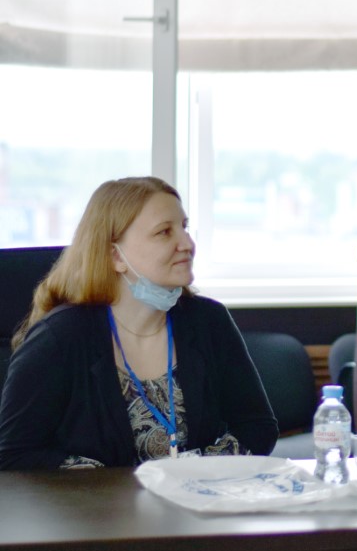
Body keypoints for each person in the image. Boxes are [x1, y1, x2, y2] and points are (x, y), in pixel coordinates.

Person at [0, 177, 277, 470]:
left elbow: (257, 426)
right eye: (164, 232)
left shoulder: (209, 320)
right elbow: (13, 454)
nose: (187, 244)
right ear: (115, 255)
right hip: (98, 501)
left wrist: (196, 472)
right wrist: (112, 483)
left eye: (184, 227)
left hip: (195, 495)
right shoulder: (60, 336)